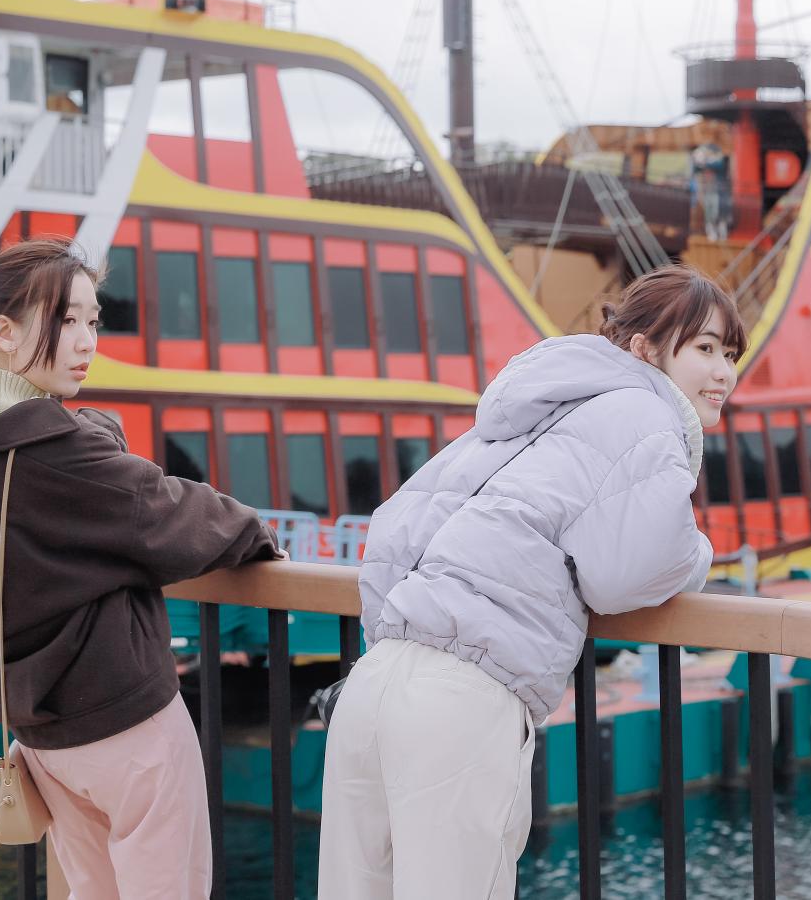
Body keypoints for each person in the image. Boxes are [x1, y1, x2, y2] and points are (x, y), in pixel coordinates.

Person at [317, 264, 745, 899]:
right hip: (464, 700)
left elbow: (392, 531)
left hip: (375, 683)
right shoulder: (647, 415)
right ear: (643, 349)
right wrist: (700, 555)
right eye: (704, 349)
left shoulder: (528, 406)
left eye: (731, 354)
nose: (724, 372)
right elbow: (629, 572)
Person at [0, 236, 283, 900]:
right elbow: (169, 513)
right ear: (6, 332)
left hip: (39, 727)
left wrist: (86, 431)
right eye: (66, 321)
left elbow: (86, 467)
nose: (85, 342)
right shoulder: (52, 450)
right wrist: (258, 534)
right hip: (124, 720)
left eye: (92, 320)